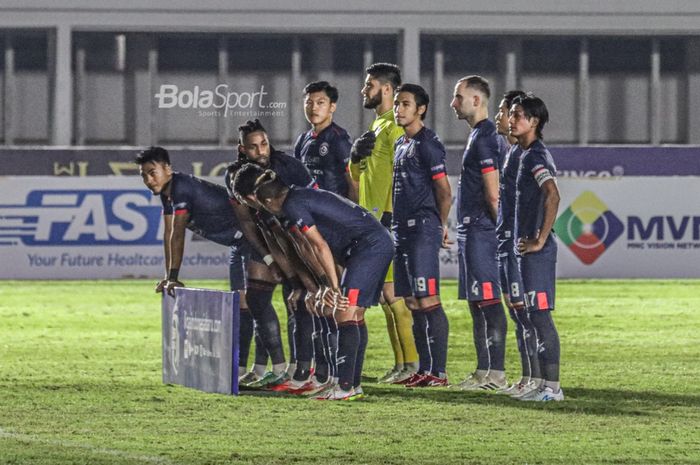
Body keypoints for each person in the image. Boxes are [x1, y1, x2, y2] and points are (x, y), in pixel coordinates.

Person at [255, 172, 394, 401]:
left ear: (269, 202)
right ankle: (352, 385)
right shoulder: (300, 197)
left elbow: (319, 246)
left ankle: (345, 387)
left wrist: (333, 287)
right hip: (372, 244)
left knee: (344, 311)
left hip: (369, 247)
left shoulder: (292, 206)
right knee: (354, 315)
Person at [135, 146, 256, 380]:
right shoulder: (168, 191)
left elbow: (178, 234)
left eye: (152, 172)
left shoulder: (180, 189)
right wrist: (168, 276)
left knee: (251, 304)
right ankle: (242, 370)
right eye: (143, 175)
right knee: (242, 305)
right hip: (238, 245)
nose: (148, 180)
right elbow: (168, 232)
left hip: (252, 241)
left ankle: (268, 368)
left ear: (167, 169)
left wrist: (173, 276)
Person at [350, 62, 419, 383]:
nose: (364, 90)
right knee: (387, 297)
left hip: (385, 221)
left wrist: (391, 214)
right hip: (371, 221)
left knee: (395, 296)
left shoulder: (394, 127)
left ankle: (412, 365)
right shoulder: (377, 126)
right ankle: (402, 365)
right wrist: (353, 160)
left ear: (387, 89)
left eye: (369, 85)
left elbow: (402, 173)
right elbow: (362, 177)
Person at [390, 84, 453, 387]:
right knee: (413, 303)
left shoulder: (428, 144)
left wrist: (439, 225)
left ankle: (438, 373)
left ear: (421, 109)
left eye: (405, 104)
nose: (398, 109)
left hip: (422, 230)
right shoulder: (401, 144)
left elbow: (444, 191)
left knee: (429, 300)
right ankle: (423, 369)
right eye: (396, 104)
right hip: (401, 232)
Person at [450, 75, 508, 390]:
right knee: (476, 302)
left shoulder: (486, 137)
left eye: (458, 97)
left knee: (488, 301)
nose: (453, 103)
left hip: (483, 232)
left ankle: (496, 373)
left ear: (476, 100)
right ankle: (483, 371)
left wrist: (501, 234)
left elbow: (493, 193)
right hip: (471, 230)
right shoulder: (478, 135)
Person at [509, 94, 564, 401]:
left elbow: (552, 195)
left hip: (537, 252)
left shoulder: (535, 156)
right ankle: (543, 385)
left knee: (541, 317)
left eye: (518, 115)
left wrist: (540, 239)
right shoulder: (524, 153)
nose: (512, 119)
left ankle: (553, 389)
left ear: (534, 122)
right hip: (527, 250)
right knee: (532, 316)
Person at [494, 90, 542, 398]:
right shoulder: (512, 153)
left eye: (509, 112)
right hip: (505, 242)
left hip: (516, 243)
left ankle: (536, 378)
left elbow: (547, 195)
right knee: (517, 314)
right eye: (505, 113)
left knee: (525, 314)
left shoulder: (529, 155)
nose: (503, 118)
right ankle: (528, 377)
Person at [294, 80, 357, 201]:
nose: (314, 108)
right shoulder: (302, 140)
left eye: (320, 103)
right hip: (310, 210)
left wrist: (351, 215)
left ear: (332, 107)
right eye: (309, 103)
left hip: (334, 212)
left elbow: (353, 182)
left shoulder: (339, 139)